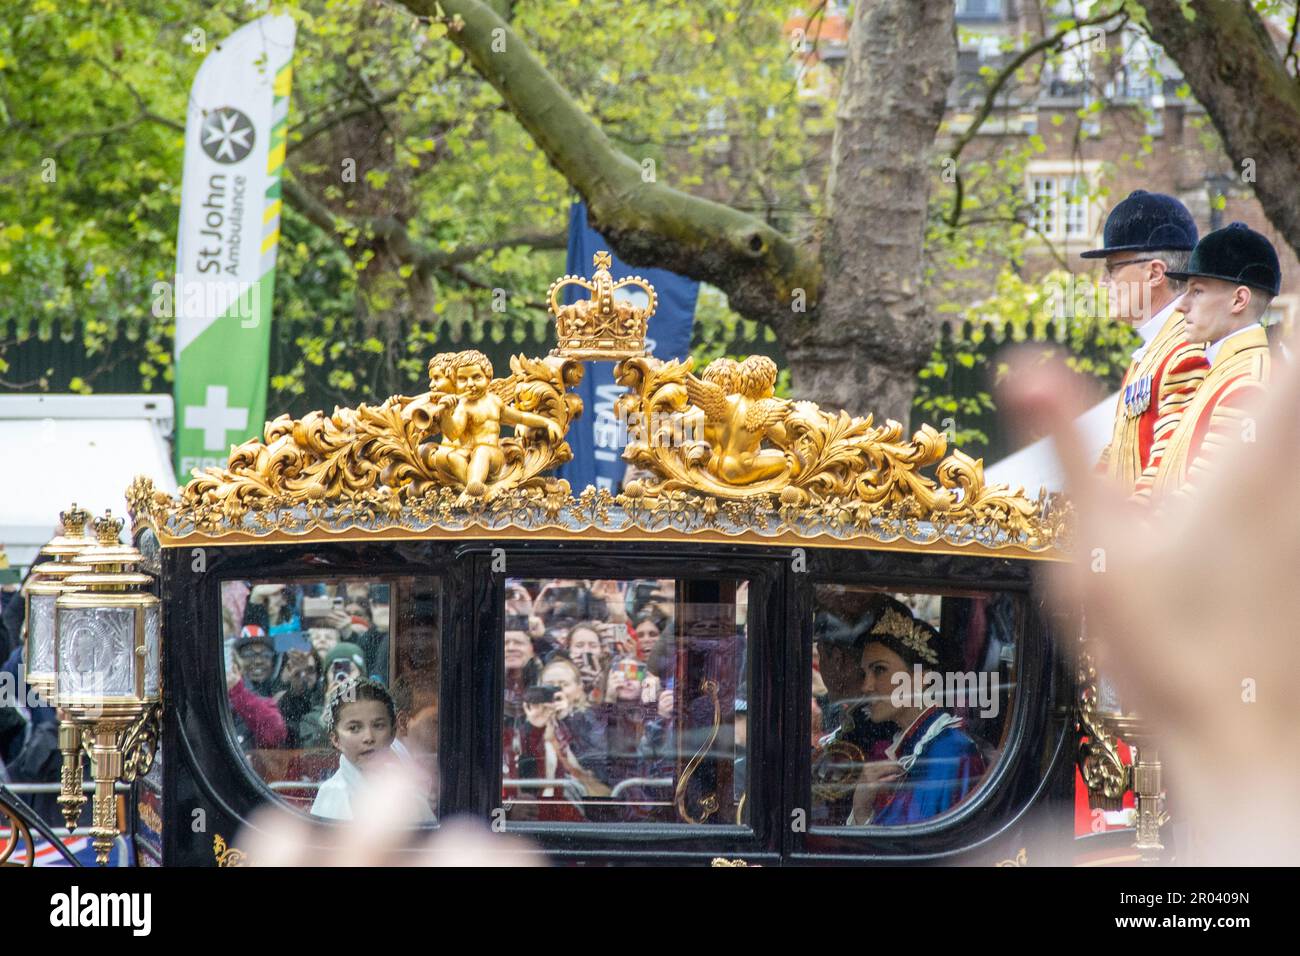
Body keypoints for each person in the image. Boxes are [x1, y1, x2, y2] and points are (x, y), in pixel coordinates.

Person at [1138, 222, 1279, 502]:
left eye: (1197, 291)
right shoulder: (1223, 370)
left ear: (1239, 300)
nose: (1181, 305)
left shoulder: (1248, 381)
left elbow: (1201, 497)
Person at [1083, 190, 1208, 493]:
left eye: (1112, 269)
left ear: (1154, 273)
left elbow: (1167, 469)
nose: (1103, 282)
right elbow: (1120, 452)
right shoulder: (1153, 348)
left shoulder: (1185, 349)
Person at [847, 606, 986, 826]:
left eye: (879, 670)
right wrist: (861, 808)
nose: (866, 685)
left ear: (922, 678)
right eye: (865, 673)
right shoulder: (910, 748)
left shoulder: (951, 753)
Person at [311, 677, 435, 823]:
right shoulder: (333, 795)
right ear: (336, 739)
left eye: (378, 726)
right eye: (354, 728)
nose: (368, 737)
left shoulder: (406, 788)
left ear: (393, 732)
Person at [227, 627, 287, 751]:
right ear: (236, 660)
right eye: (249, 655)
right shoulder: (225, 693)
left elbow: (275, 732)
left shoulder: (283, 692)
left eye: (265, 655)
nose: (258, 661)